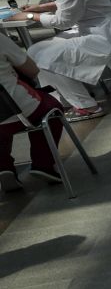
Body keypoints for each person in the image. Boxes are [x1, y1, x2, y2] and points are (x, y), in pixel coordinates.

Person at [0, 31, 66, 191]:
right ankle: (43, 164)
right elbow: (32, 70)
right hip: (18, 109)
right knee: (52, 110)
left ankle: (4, 167)